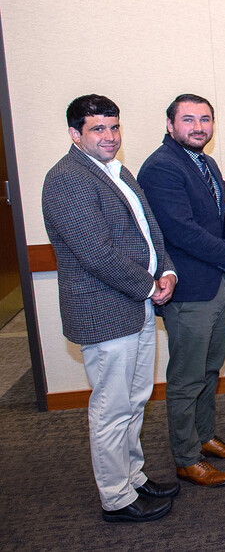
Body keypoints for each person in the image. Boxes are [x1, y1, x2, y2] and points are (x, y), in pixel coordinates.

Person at [42, 94, 179, 522]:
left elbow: (150, 231)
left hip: (135, 304)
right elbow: (96, 253)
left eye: (114, 127)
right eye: (98, 129)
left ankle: (133, 478)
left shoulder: (118, 171)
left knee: (135, 400)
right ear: (74, 134)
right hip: (105, 310)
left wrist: (168, 272)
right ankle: (116, 498)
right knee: (111, 406)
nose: (109, 136)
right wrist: (149, 284)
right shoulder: (67, 178)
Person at [137, 94, 225, 488]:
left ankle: (205, 437)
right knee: (185, 379)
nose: (198, 127)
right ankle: (186, 458)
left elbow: (224, 215)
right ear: (170, 125)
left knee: (209, 371)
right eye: (188, 120)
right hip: (188, 291)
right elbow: (180, 231)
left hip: (215, 285)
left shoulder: (206, 162)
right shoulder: (161, 168)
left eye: (205, 119)